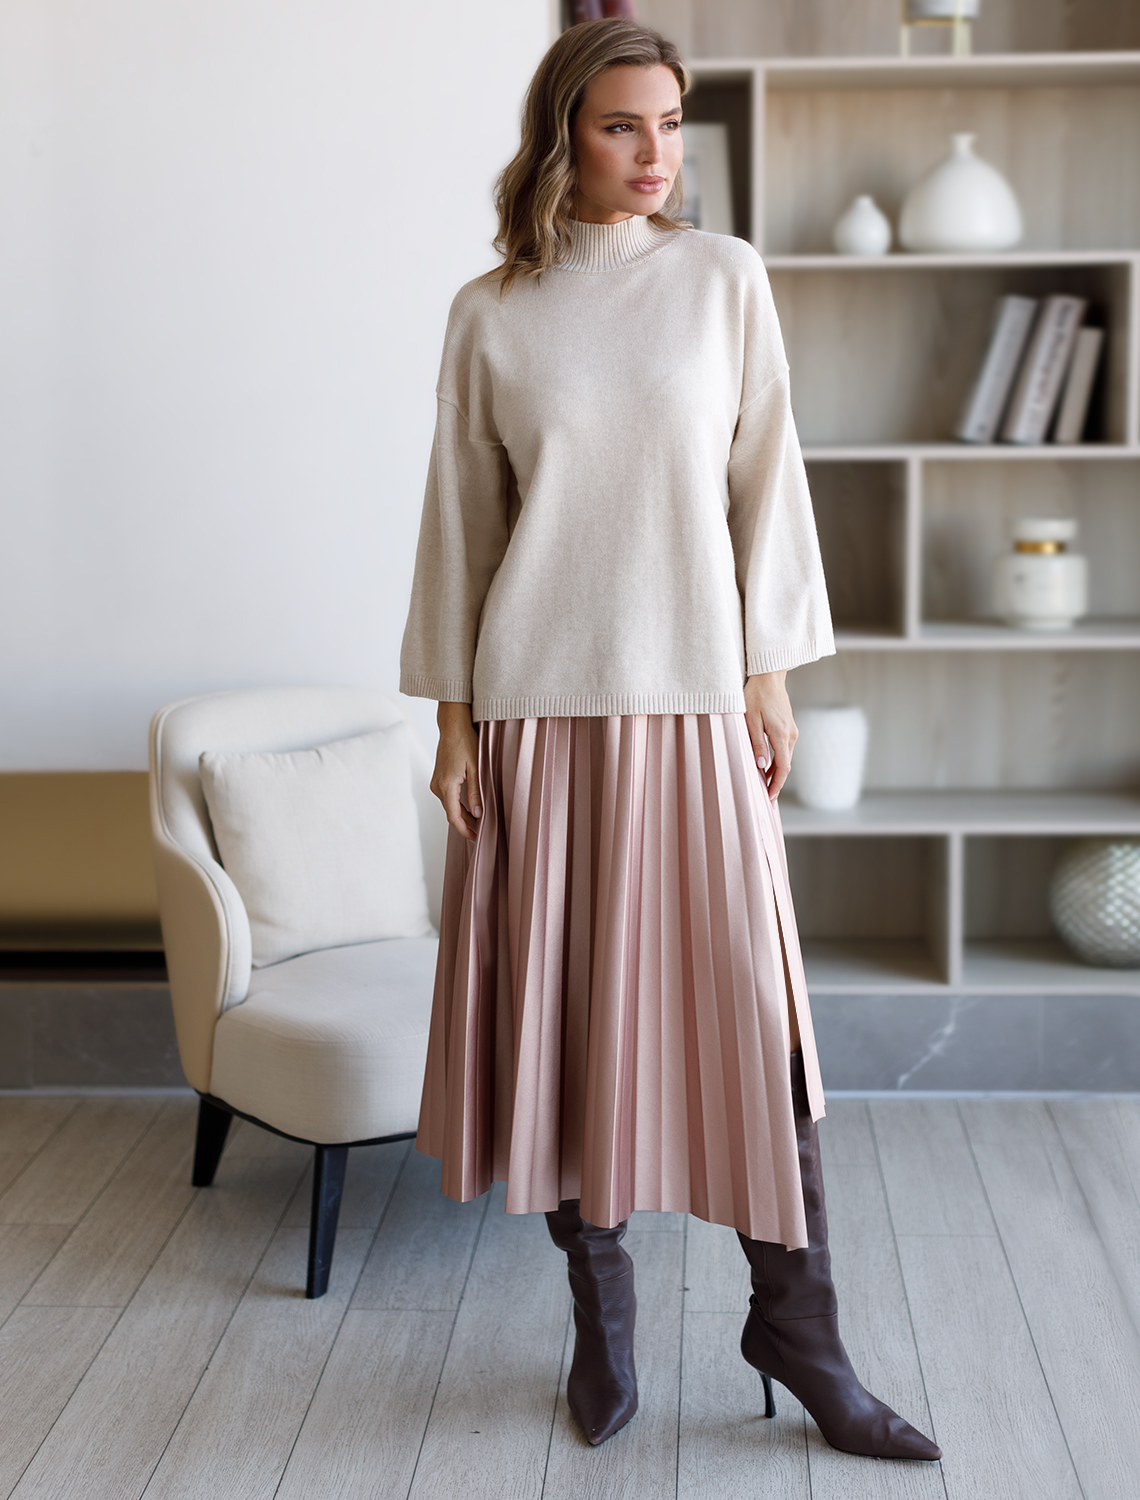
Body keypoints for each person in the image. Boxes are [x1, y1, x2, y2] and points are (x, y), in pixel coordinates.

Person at [400, 17, 940, 1462]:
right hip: (536, 711)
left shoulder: (722, 279)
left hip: (696, 699)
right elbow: (462, 527)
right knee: (574, 1026)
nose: (657, 154)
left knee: (759, 1029)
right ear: (562, 137)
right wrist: (453, 717)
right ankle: (603, 1319)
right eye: (622, 125)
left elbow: (768, 481)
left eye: (671, 122)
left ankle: (800, 1330)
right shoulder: (491, 312)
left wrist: (769, 678)